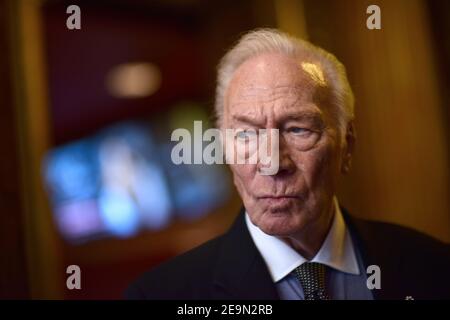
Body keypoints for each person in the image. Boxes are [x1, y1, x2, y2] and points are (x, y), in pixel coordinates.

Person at [125, 28, 450, 300]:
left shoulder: (433, 268)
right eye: (246, 134)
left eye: (298, 130)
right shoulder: (161, 295)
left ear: (347, 145)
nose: (271, 163)